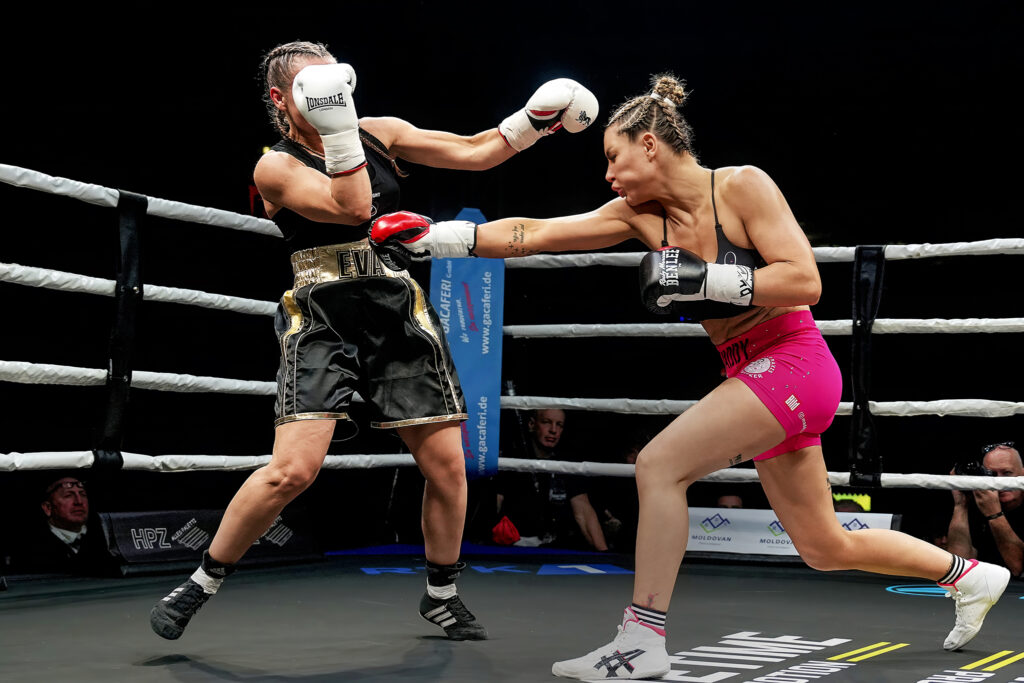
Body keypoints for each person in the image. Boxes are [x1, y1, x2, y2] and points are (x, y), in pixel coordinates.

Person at [370, 72, 1012, 677]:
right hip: (754, 372)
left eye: (614, 157)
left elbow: (805, 281)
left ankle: (642, 639)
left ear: (649, 145)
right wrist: (435, 237)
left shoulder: (740, 186)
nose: (608, 174)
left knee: (659, 465)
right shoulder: (637, 216)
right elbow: (533, 233)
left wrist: (711, 279)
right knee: (824, 547)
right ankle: (970, 577)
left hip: (794, 360)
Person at [148, 41, 598, 643]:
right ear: (281, 98)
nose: (333, 95)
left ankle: (442, 595)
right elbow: (352, 206)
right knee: (291, 471)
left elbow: (477, 151)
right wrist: (340, 130)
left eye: (335, 82)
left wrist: (536, 120)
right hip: (321, 314)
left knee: (448, 467)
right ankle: (202, 580)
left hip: (395, 308)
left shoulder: (378, 132)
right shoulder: (273, 167)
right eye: (314, 86)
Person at [495, 409, 609, 550]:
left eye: (559, 424)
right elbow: (495, 503)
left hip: (552, 547)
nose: (553, 430)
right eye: (546, 422)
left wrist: (603, 553)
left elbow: (583, 511)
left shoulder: (567, 463)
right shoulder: (512, 460)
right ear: (532, 424)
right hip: (512, 547)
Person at [947, 442, 1024, 578]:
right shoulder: (978, 503)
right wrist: (960, 505)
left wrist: (994, 514)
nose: (999, 482)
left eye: (1007, 473)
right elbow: (959, 568)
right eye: (992, 474)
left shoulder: (989, 508)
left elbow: (1019, 568)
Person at [14, 475, 116, 576]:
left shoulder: (108, 538)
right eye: (68, 495)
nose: (79, 502)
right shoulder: (31, 549)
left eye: (83, 494)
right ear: (48, 507)